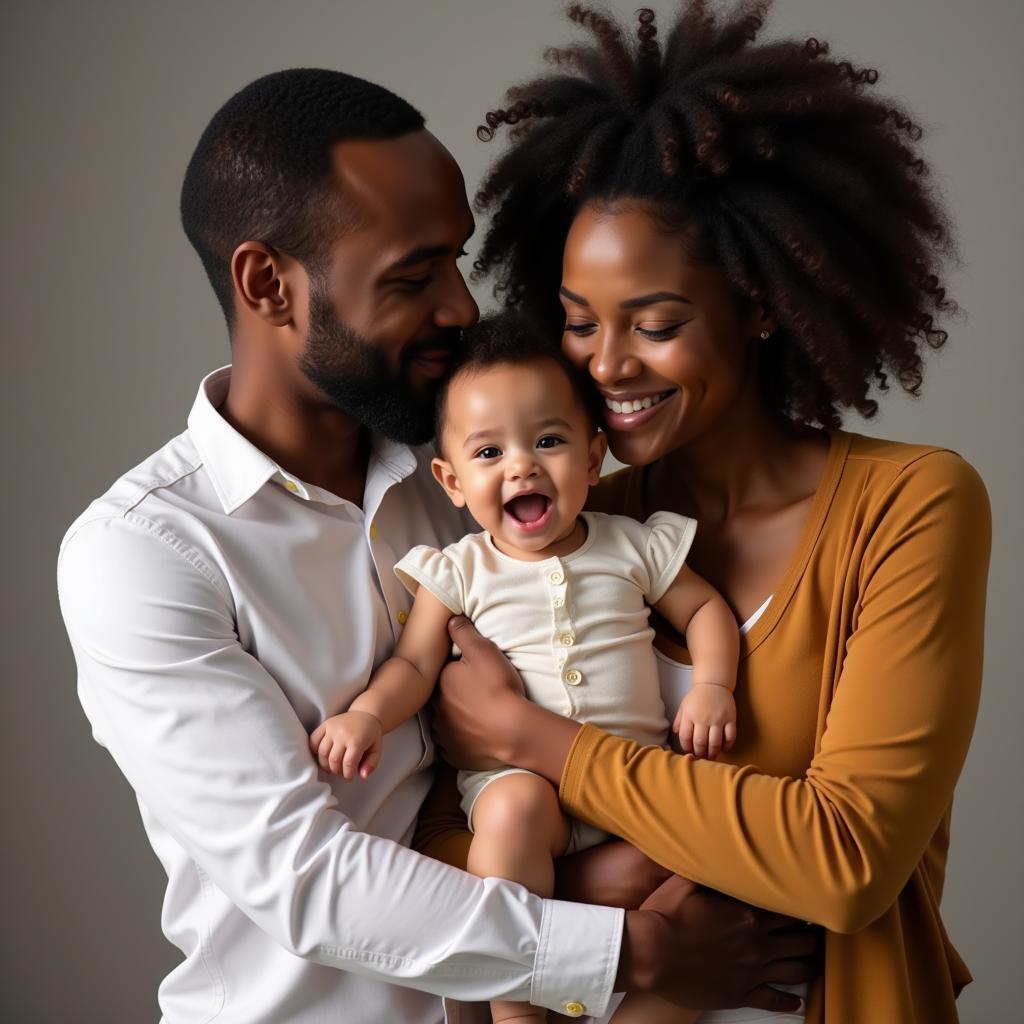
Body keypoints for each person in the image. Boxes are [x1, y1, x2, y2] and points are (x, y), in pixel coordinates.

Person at [56, 68, 817, 1023]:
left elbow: (599, 669)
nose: (462, 306)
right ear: (267, 284)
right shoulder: (145, 554)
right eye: (415, 276)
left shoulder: (475, 471)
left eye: (457, 261)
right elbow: (310, 882)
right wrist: (635, 952)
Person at [418, 4, 991, 1023]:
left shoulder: (909, 507)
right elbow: (427, 842)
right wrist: (607, 916)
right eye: (581, 323)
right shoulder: (568, 513)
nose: (606, 365)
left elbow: (843, 854)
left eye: (657, 324)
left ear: (760, 303)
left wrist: (532, 735)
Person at [311, 313, 740, 1024]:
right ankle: (519, 1017)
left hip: (637, 785)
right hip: (522, 788)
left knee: (712, 862)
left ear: (595, 456)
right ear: (449, 481)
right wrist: (367, 715)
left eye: (549, 441)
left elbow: (705, 612)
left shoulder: (631, 545)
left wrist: (715, 686)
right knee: (511, 813)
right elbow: (415, 664)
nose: (522, 466)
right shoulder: (459, 571)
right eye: (489, 453)